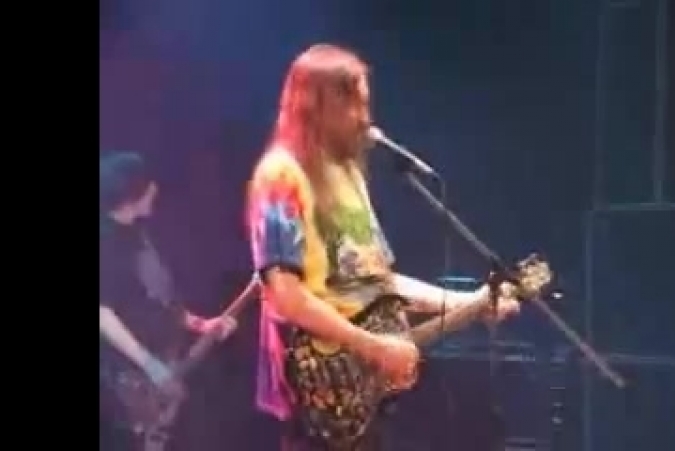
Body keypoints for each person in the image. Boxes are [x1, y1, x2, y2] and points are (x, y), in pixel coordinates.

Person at [246, 44, 521, 450]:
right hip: (314, 387)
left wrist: (473, 302)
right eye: (353, 104)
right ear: (317, 107)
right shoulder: (281, 176)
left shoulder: (350, 175)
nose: (365, 118)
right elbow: (285, 294)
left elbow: (379, 282)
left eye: (365, 104)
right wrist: (372, 346)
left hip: (366, 391)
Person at [99, 151, 237, 451]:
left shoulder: (138, 233)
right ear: (132, 194)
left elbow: (159, 300)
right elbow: (103, 314)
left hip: (163, 366)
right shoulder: (106, 243)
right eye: (148, 184)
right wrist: (149, 365)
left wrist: (202, 325)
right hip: (129, 382)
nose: (155, 189)